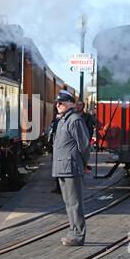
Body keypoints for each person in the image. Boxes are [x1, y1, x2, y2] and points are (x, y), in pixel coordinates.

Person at [53, 90, 91, 246]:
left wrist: (83, 164)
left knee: (75, 203)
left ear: (69, 104)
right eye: (56, 103)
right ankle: (72, 231)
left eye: (61, 102)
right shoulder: (63, 120)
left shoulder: (74, 120)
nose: (57, 105)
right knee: (69, 203)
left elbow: (85, 145)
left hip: (71, 168)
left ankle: (78, 235)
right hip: (62, 168)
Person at [75, 101, 95, 173]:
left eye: (80, 105)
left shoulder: (88, 116)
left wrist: (88, 140)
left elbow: (90, 129)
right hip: (74, 139)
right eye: (77, 105)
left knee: (83, 155)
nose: (78, 106)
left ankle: (83, 166)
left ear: (83, 106)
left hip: (84, 139)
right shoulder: (73, 116)